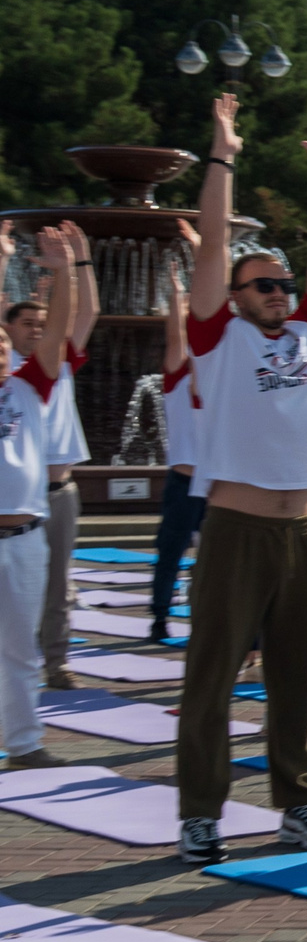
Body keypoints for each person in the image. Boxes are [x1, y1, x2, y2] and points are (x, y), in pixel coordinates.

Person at [174, 92, 307, 865]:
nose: (278, 291)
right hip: (236, 526)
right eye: (262, 285)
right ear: (236, 299)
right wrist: (223, 153)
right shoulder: (218, 339)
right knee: (212, 675)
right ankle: (201, 812)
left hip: (306, 527)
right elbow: (213, 243)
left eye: (282, 283)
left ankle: (297, 802)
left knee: (298, 678)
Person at [2, 222, 96, 689]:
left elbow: (82, 315)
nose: (38, 331)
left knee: (58, 586)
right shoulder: (15, 373)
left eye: (42, 326)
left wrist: (76, 263)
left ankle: (56, 662)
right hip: (15, 499)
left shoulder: (50, 367)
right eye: (27, 325)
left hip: (56, 493)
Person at [148, 243, 204, 646]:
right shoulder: (177, 376)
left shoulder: (226, 375)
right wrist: (176, 295)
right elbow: (175, 335)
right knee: (170, 552)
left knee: (219, 561)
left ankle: (214, 619)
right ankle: (159, 617)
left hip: (220, 483)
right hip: (184, 482)